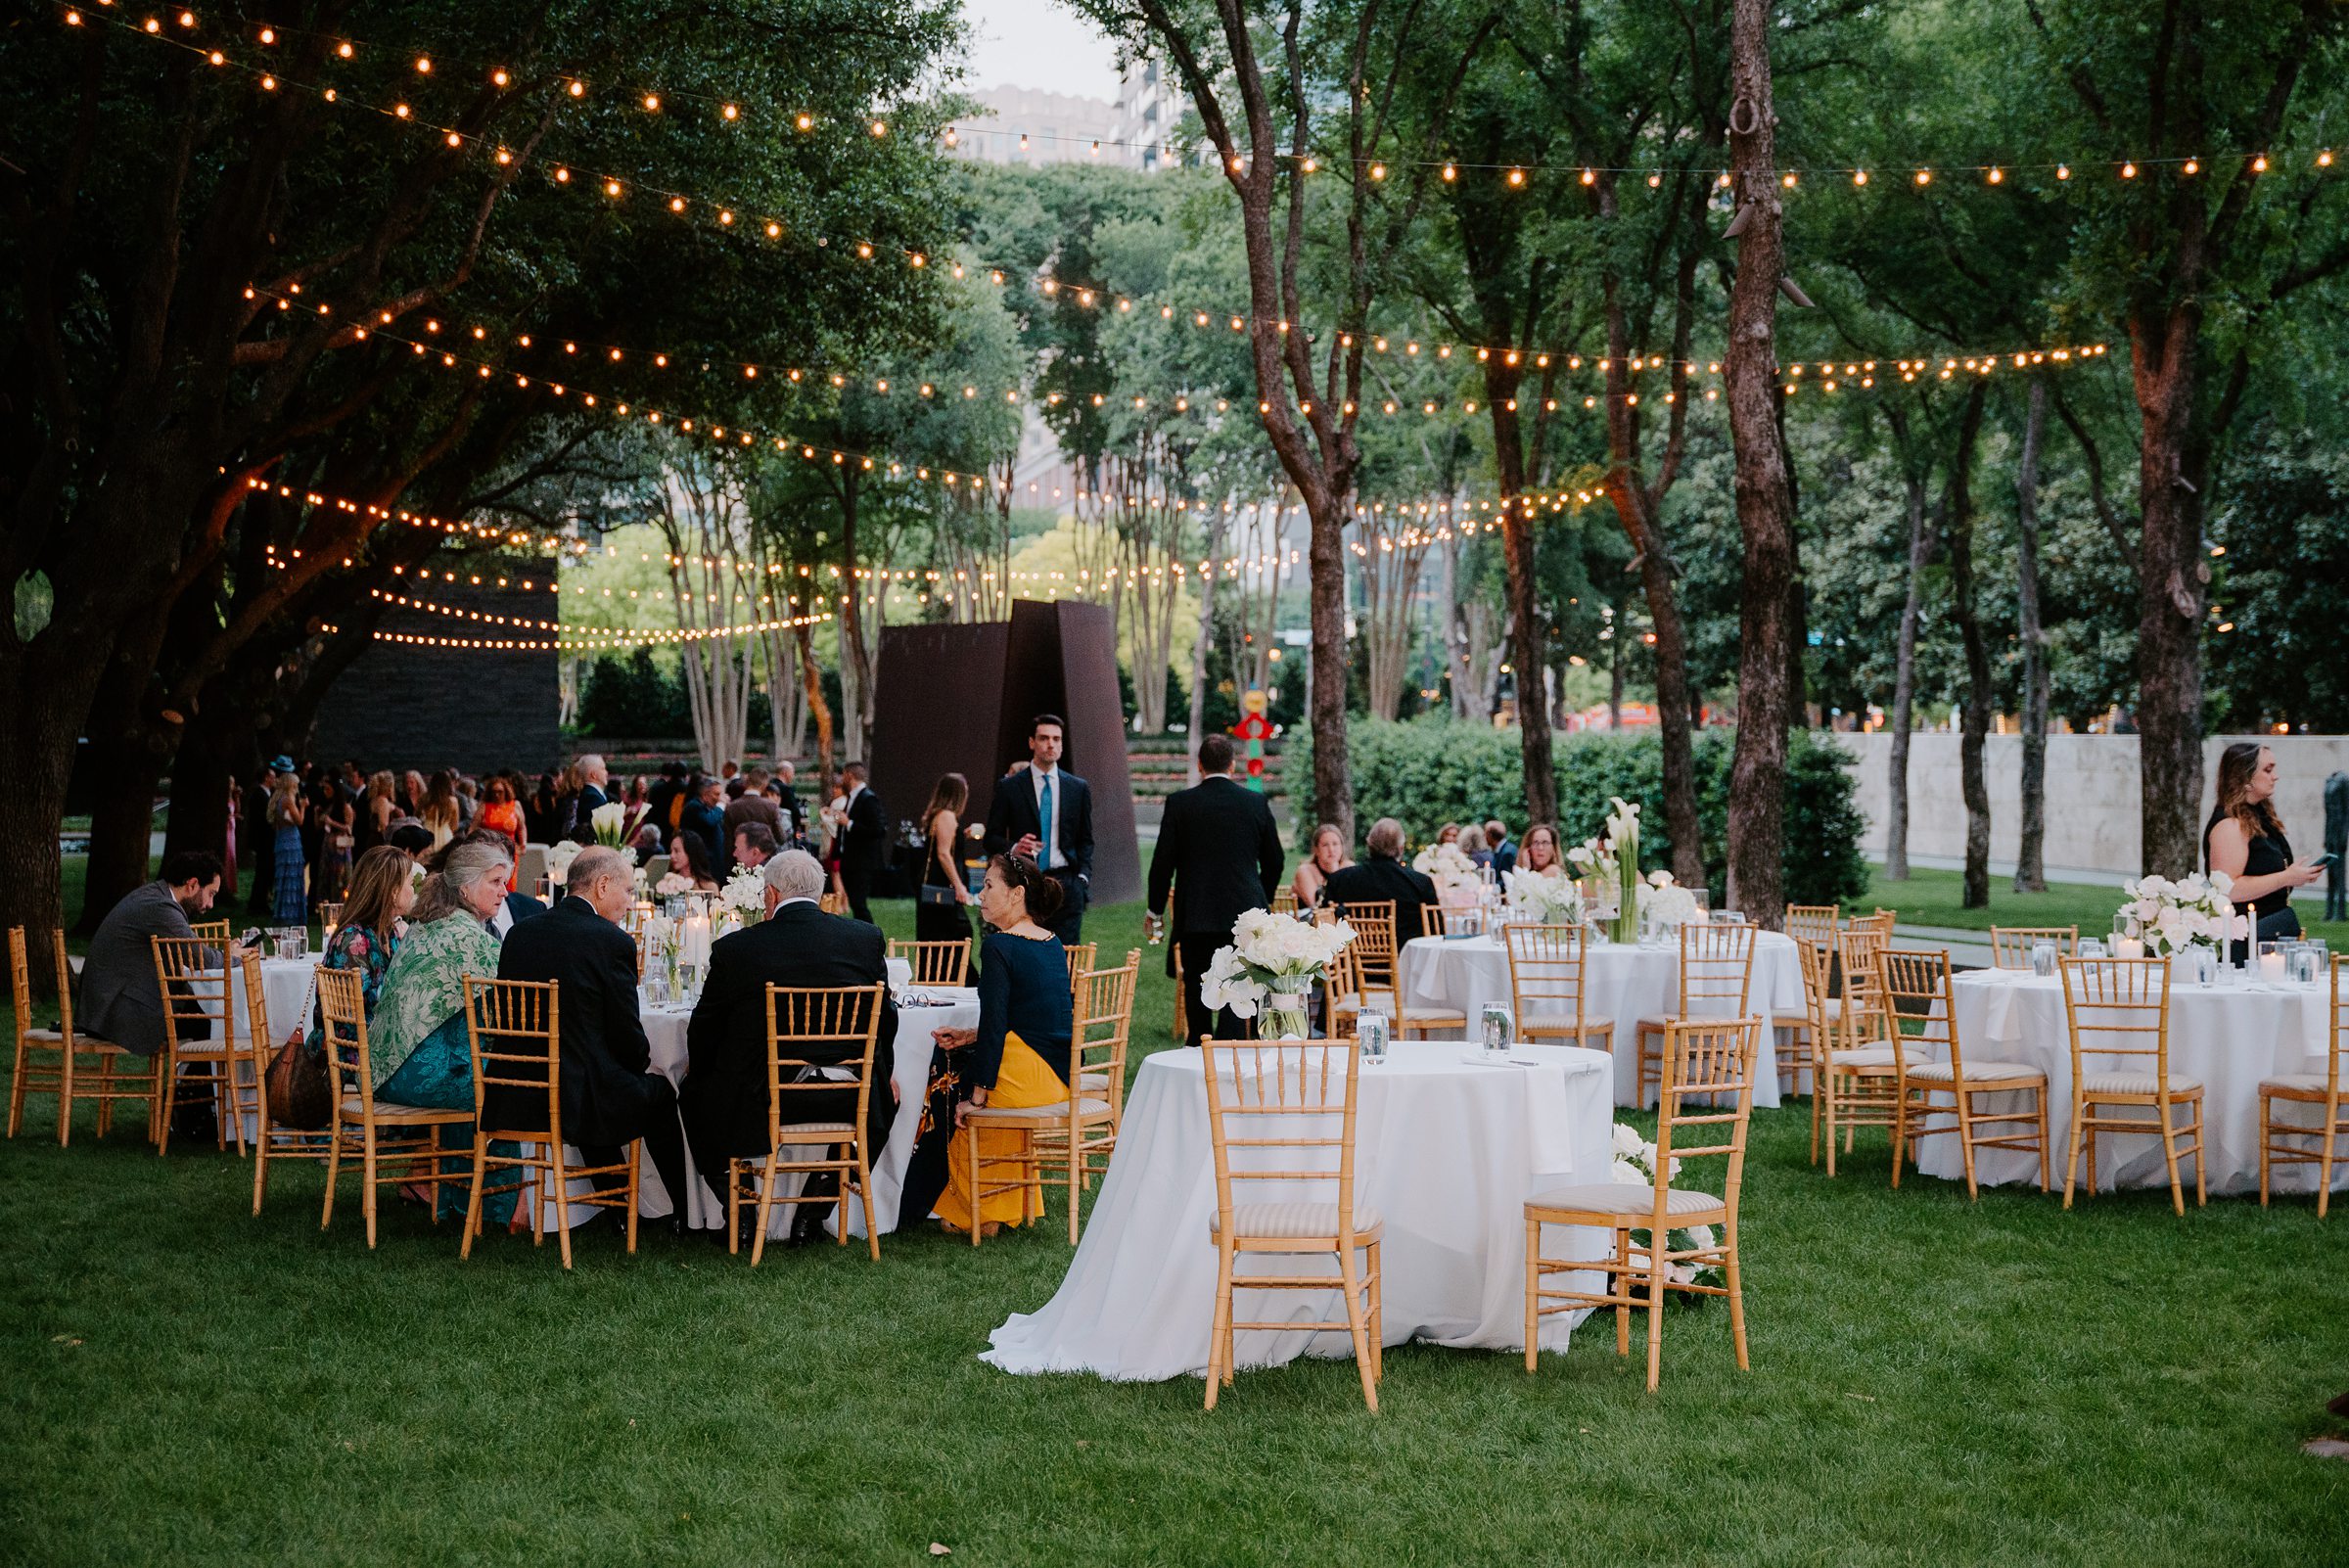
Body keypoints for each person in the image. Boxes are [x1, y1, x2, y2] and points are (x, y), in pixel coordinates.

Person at [680, 850, 898, 1246]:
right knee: (887, 1093)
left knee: (693, 1092)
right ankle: (814, 1209)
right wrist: (882, 1074)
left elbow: (705, 1028)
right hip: (847, 1096)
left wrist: (701, 1068)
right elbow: (886, 1020)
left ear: (771, 894)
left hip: (760, 1098)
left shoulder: (738, 949)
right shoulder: (864, 939)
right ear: (818, 892)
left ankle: (741, 1211)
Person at [489, 847, 692, 1231]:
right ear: (602, 885)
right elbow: (629, 1040)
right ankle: (680, 1212)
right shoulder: (611, 941)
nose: (629, 902)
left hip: (516, 1093)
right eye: (627, 891)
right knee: (658, 1092)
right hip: (577, 1098)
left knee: (597, 1079)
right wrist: (640, 1064)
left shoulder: (519, 934)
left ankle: (617, 1206)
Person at [363, 840, 519, 1218]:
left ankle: (453, 1196)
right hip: (414, 1075)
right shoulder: (466, 937)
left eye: (504, 882)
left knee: (477, 1067)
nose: (504, 891)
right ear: (465, 887)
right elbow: (515, 999)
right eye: (495, 882)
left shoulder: (427, 924)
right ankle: (502, 1207)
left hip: (383, 1069)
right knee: (507, 1086)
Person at [930, 855, 1074, 1237]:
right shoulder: (1051, 941)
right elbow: (1028, 1018)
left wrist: (977, 1097)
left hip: (1024, 1082)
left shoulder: (999, 946)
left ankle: (979, 1211)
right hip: (1058, 1077)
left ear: (1016, 894)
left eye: (989, 886)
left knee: (955, 1097)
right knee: (973, 1071)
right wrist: (969, 1035)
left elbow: (997, 1025)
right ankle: (1007, 1202)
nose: (981, 895)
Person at [1148, 735, 1286, 1044]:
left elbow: (1162, 864)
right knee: (1238, 992)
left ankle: (1199, 1050)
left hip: (1196, 915)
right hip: (1244, 918)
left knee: (1198, 991)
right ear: (1233, 765)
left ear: (1200, 765)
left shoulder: (1180, 804)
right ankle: (1229, 1055)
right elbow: (1275, 861)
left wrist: (1155, 910)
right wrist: (1260, 901)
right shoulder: (1255, 803)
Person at [983, 714, 1094, 945]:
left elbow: (1085, 839)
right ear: (1032, 742)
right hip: (1023, 883)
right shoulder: (1009, 787)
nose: (1050, 744)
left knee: (1065, 956)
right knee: (1022, 952)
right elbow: (991, 837)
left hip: (1066, 884)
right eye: (1044, 738)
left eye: (1056, 739)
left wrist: (1082, 877)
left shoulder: (1077, 788)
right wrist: (1014, 847)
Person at [2203, 741, 2324, 951]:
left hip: (2271, 931)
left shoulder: (2259, 816)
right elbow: (2229, 888)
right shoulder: (2230, 824)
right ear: (2245, 778)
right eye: (2268, 770)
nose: (2275, 776)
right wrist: (2286, 877)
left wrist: (2295, 876)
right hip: (2246, 941)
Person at [304, 847, 413, 1051]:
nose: (413, 890)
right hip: (351, 1051)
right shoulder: (354, 941)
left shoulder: (388, 933)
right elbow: (349, 1017)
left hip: (379, 1044)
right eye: (410, 883)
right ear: (393, 892)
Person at [1321, 816, 1442, 943]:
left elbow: (1326, 926)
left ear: (1369, 845)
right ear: (1401, 848)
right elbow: (1437, 931)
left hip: (1354, 952)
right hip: (1407, 953)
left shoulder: (1339, 879)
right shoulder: (1421, 882)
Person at [917, 772, 981, 964]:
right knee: (956, 934)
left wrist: (962, 835)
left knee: (942, 936)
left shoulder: (939, 815)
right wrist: (959, 885)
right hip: (942, 888)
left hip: (937, 886)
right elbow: (943, 854)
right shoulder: (946, 816)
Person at [836, 761, 886, 924]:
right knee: (856, 903)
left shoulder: (868, 798)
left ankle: (870, 933)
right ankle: (863, 932)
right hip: (851, 859)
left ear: (849, 776)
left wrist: (849, 823)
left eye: (843, 775)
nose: (842, 779)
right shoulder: (853, 797)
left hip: (862, 861)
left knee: (859, 903)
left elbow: (878, 829)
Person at [268, 772, 308, 924]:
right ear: (291, 785)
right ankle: (290, 915)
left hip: (282, 840)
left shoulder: (279, 800)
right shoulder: (288, 800)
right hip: (291, 842)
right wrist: (303, 807)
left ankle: (283, 913)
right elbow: (299, 820)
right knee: (292, 877)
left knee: (284, 878)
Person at [723, 766, 785, 858]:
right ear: (764, 785)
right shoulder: (771, 807)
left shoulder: (731, 807)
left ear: (746, 782)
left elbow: (728, 842)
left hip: (739, 859)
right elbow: (780, 838)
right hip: (763, 859)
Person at [1291, 822, 1352, 908]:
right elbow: (1316, 907)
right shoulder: (1305, 871)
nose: (1331, 849)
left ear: (1342, 847)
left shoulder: (1348, 867)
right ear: (1316, 850)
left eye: (1335, 844)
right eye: (1325, 845)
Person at [680, 774, 728, 878]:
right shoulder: (694, 806)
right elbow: (710, 821)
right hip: (704, 861)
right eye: (717, 794)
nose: (720, 798)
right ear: (705, 795)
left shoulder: (708, 807)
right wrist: (721, 806)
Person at [477, 775, 527, 866]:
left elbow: (521, 827)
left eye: (500, 792)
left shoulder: (515, 805)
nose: (497, 795)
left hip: (510, 851)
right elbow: (473, 828)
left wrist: (523, 844)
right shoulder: (484, 806)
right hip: (489, 851)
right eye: (494, 792)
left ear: (506, 792)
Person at [569, 754, 611, 841]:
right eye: (603, 769)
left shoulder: (593, 794)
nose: (606, 773)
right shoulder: (592, 797)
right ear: (594, 775)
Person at [668, 828, 721, 892]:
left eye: (676, 851)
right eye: (671, 851)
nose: (672, 855)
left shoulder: (709, 886)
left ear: (690, 851)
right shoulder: (667, 882)